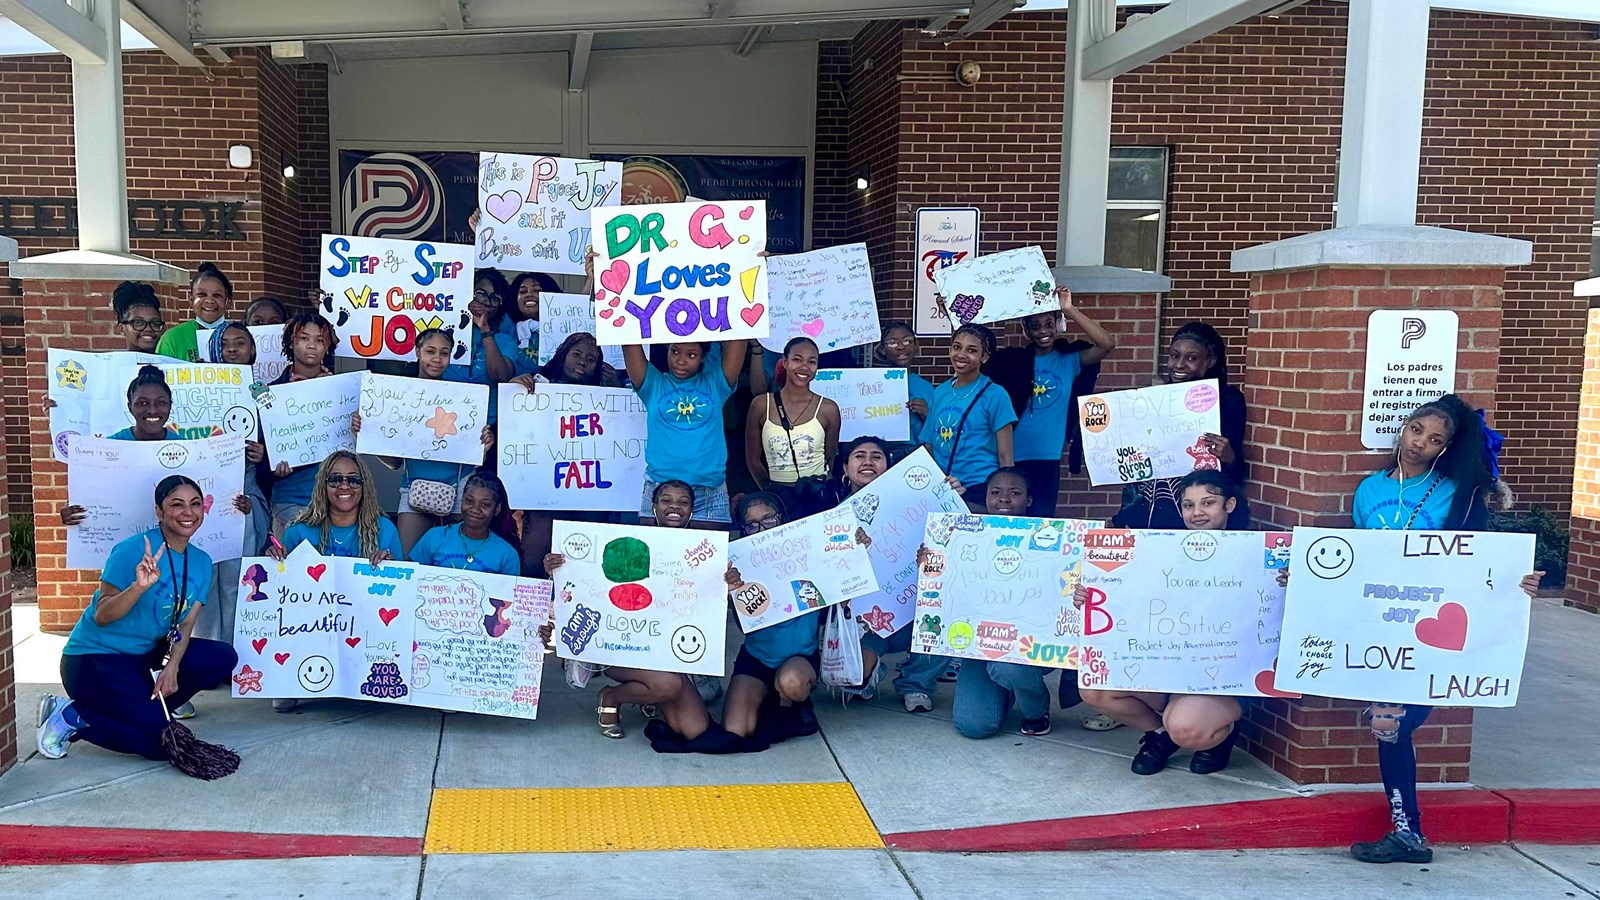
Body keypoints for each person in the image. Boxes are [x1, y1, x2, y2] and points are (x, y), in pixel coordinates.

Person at [1310, 394, 1536, 864]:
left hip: (1433, 629)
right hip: (1383, 629)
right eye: (1416, 431)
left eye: (1435, 440)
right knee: (1388, 726)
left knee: (1391, 723)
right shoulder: (1369, 490)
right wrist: (1310, 576)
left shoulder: (1455, 491)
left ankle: (1408, 833)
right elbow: (1354, 560)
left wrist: (1521, 580)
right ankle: (1408, 835)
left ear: (1445, 449)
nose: (1420, 444)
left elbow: (1481, 557)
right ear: (1403, 428)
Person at [37, 476, 238, 760]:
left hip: (143, 657)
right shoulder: (132, 550)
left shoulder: (202, 561)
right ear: (159, 511)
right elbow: (103, 616)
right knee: (160, 742)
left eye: (195, 504)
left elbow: (186, 623)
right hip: (95, 660)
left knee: (222, 656)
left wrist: (172, 669)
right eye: (176, 505)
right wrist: (138, 587)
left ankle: (154, 708)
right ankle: (71, 716)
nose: (188, 513)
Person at [1075, 470, 1254, 775]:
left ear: (1230, 505)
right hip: (1164, 663)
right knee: (1095, 689)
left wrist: (1289, 584)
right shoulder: (1160, 550)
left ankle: (1216, 737)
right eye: (1188, 505)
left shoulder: (1256, 554)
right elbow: (1128, 598)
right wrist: (1092, 594)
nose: (1197, 513)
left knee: (1186, 726)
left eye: (1208, 503)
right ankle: (1160, 735)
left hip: (1217, 673)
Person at [544, 480, 711, 742]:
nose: (674, 507)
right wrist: (558, 568)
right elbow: (586, 579)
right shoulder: (627, 541)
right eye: (666, 500)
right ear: (653, 507)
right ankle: (612, 696)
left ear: (691, 510)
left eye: (683, 502)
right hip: (622, 647)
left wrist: (726, 582)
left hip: (668, 650)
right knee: (668, 685)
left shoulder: (704, 553)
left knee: (696, 729)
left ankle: (649, 694)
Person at [271, 450, 404, 714]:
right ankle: (289, 679)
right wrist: (274, 563)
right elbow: (281, 592)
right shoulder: (299, 530)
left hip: (363, 624)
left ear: (364, 486)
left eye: (353, 480)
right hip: (312, 624)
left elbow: (400, 594)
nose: (345, 486)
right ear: (323, 485)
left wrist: (391, 565)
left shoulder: (384, 529)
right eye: (335, 480)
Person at [831, 436, 954, 713]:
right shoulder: (833, 518)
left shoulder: (920, 499)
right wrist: (849, 549)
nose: (868, 462)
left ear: (888, 466)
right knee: (854, 676)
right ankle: (872, 672)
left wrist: (950, 497)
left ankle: (916, 684)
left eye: (876, 456)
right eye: (859, 456)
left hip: (915, 606)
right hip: (867, 620)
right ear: (845, 468)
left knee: (946, 619)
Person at [356, 328, 495, 554]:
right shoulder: (399, 397)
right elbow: (394, 463)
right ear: (417, 352)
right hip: (413, 490)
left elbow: (474, 455)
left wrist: (484, 444)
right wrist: (368, 434)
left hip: (459, 488)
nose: (437, 359)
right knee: (406, 560)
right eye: (430, 351)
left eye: (444, 353)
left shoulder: (465, 398)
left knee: (456, 560)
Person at [946, 467, 1062, 738]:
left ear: (1029, 500)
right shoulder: (967, 537)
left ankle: (1035, 710)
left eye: (1015, 493)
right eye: (995, 492)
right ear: (986, 497)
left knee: (1005, 664)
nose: (1004, 499)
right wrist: (931, 563)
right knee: (974, 726)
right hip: (977, 638)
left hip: (1030, 640)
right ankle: (1007, 692)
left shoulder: (1052, 539)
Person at [985, 287, 1116, 518]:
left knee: (1042, 522)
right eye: (1035, 326)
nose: (1043, 331)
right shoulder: (1014, 361)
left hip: (1047, 458)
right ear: (1026, 329)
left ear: (1058, 323)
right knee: (1008, 521)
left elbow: (1107, 343)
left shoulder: (1068, 360)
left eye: (1049, 324)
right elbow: (978, 353)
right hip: (1012, 456)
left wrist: (1068, 308)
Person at [1112, 322, 1249, 531]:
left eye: (1191, 358)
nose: (1179, 365)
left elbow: (1238, 472)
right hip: (1150, 507)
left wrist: (1229, 456)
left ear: (1210, 361)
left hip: (1201, 513)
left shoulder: (1229, 401)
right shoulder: (1150, 402)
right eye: (1174, 356)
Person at [510, 331, 621, 578]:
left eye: (591, 359)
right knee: (534, 566)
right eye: (577, 354)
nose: (583, 361)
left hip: (590, 499)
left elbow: (620, 431)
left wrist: (615, 392)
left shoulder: (606, 397)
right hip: (543, 495)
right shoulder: (536, 387)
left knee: (584, 568)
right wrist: (514, 389)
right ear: (563, 356)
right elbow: (514, 427)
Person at [721, 493, 824, 744]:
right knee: (735, 730)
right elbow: (742, 623)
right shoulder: (736, 565)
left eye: (769, 519)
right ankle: (771, 695)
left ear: (782, 518)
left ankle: (798, 703)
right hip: (757, 657)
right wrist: (726, 591)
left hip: (800, 657)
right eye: (751, 524)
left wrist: (859, 545)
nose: (761, 528)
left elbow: (845, 569)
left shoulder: (809, 553)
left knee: (791, 682)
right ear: (743, 529)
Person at [623, 337, 748, 528]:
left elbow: (740, 335)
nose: (681, 361)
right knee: (656, 555)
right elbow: (627, 337)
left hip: (709, 491)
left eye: (691, 355)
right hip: (660, 490)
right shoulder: (652, 384)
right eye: (674, 351)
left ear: (703, 357)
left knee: (708, 558)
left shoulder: (716, 383)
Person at [920, 323, 1016, 511]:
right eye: (957, 347)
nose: (961, 355)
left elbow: (1006, 457)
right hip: (943, 487)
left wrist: (1004, 494)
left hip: (980, 487)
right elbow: (930, 445)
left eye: (971, 350)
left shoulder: (996, 394)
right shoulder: (940, 392)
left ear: (984, 357)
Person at [743, 336, 841, 518]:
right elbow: (752, 459)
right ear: (785, 362)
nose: (804, 367)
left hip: (818, 495)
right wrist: (771, 491)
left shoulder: (829, 408)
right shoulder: (761, 404)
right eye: (797, 359)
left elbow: (830, 456)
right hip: (780, 496)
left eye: (812, 362)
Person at [267, 310, 342, 535]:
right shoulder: (271, 393)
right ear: (291, 343)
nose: (312, 345)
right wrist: (272, 467)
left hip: (339, 498)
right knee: (289, 567)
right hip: (291, 498)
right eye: (303, 338)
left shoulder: (343, 390)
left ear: (327, 347)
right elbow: (262, 451)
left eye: (320, 340)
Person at [408, 471, 521, 575]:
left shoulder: (507, 554)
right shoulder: (434, 537)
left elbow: (508, 595)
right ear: (461, 500)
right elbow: (411, 578)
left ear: (497, 509)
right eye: (469, 501)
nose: (475, 509)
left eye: (485, 505)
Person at [872, 322, 934, 462]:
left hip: (916, 454)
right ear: (882, 349)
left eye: (907, 341)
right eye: (893, 343)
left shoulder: (926, 388)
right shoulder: (871, 385)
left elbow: (940, 431)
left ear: (915, 345)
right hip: (878, 455)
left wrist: (927, 414)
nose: (901, 347)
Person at [156, 262, 233, 363]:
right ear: (191, 299)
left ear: (227, 300)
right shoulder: (173, 338)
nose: (209, 301)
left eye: (217, 295)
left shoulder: (241, 336)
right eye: (202, 295)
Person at [505, 272, 559, 376]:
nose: (529, 294)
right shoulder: (507, 330)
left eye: (537, 290)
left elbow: (583, 307)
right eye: (522, 291)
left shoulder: (565, 327)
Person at [112, 281, 166, 354]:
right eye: (138, 323)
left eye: (155, 323)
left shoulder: (174, 364)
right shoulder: (113, 364)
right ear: (122, 329)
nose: (148, 329)